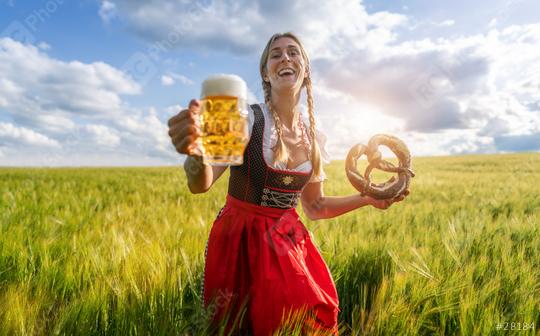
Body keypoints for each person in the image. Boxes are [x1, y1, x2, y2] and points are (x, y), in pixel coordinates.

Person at [167, 32, 408, 335]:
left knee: (304, 317)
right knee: (238, 326)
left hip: (287, 242)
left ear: (306, 70)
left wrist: (368, 199)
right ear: (265, 73)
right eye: (276, 54)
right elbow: (202, 182)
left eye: (294, 53)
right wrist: (195, 154)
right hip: (240, 240)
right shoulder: (247, 120)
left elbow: (316, 207)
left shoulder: (315, 138)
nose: (285, 58)